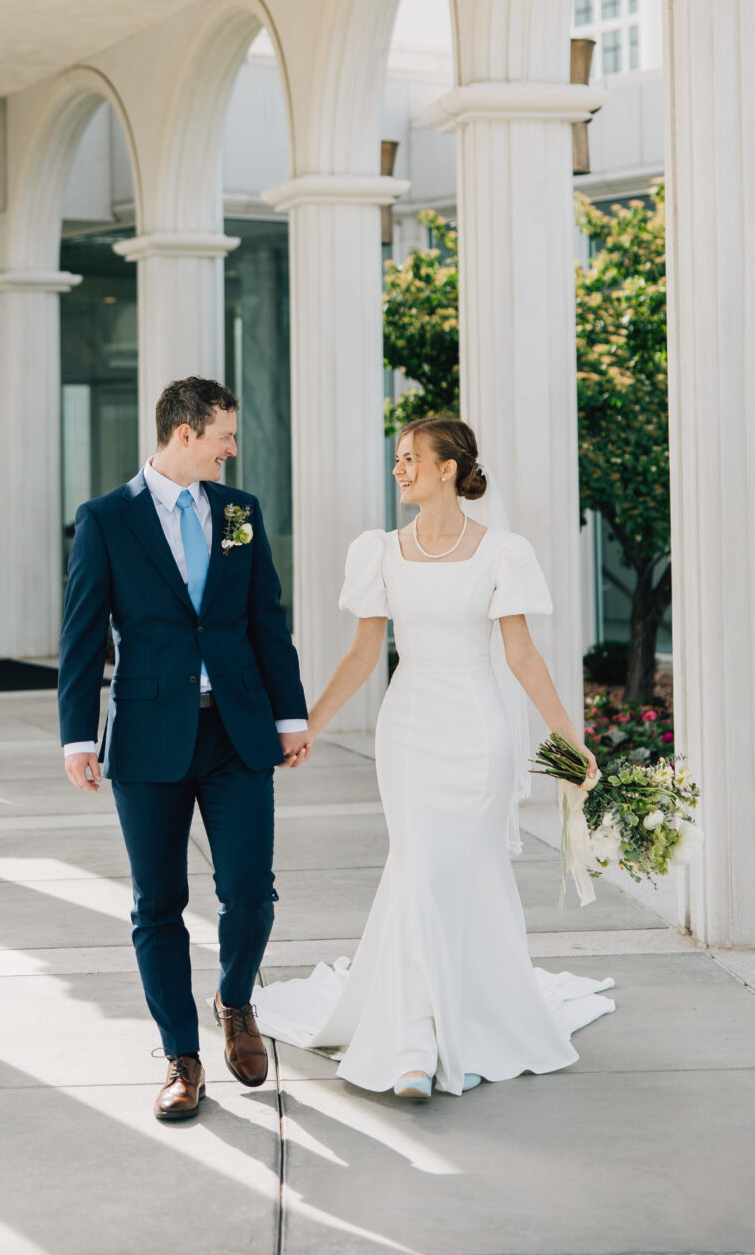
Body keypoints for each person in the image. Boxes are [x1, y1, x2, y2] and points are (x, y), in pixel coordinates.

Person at [252, 417, 615, 1098]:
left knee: (462, 873)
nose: (399, 469)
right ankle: (415, 1042)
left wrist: (570, 739)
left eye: (411, 458)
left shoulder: (501, 552)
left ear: (448, 468)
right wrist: (306, 728)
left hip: (478, 734)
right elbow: (363, 655)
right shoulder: (381, 552)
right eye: (397, 458)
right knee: (419, 868)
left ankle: (458, 1022)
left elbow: (522, 657)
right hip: (409, 731)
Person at [57, 376, 311, 1123]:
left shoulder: (238, 512)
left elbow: (266, 619)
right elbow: (81, 636)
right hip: (146, 736)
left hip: (237, 730)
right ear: (186, 433)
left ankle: (235, 1001)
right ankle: (181, 1057)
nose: (233, 448)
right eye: (225, 435)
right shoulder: (106, 519)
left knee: (251, 891)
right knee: (158, 903)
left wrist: (290, 715)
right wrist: (78, 735)